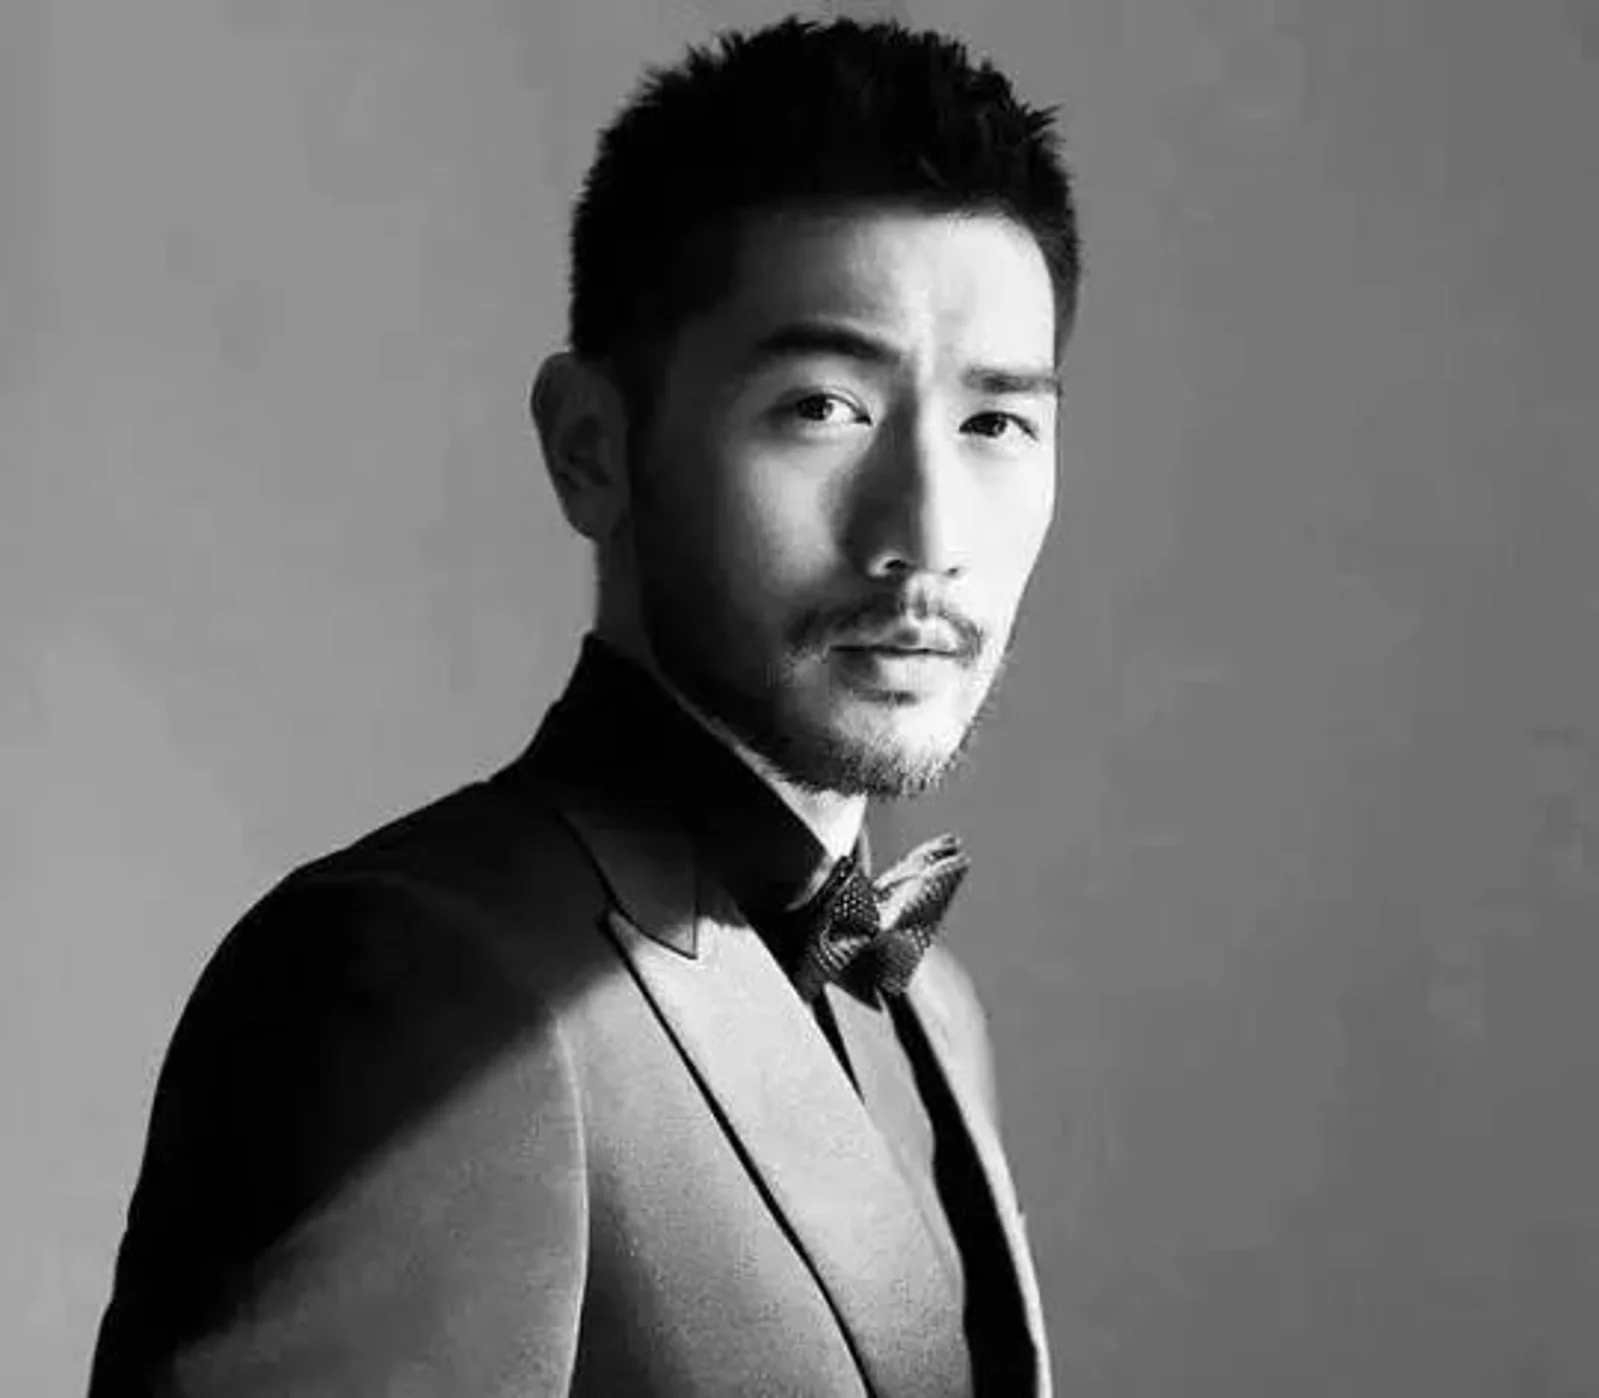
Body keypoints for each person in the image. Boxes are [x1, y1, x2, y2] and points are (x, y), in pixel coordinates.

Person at [88, 15, 1081, 1396]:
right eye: (821, 407)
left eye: (994, 423)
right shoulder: (415, 986)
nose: (927, 533)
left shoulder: (930, 1008)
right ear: (590, 447)